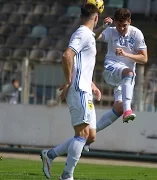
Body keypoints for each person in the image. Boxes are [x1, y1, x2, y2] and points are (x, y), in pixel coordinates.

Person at [40, 4, 102, 180]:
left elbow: (79, 64)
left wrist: (92, 83)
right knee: (82, 134)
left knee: (90, 136)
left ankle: (50, 155)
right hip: (79, 90)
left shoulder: (87, 35)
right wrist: (69, 81)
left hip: (85, 88)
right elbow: (67, 56)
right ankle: (67, 176)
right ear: (96, 17)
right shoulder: (82, 33)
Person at [83, 8, 148, 151]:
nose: (121, 28)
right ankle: (128, 111)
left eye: (124, 25)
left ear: (129, 22)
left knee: (118, 108)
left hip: (125, 79)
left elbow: (144, 58)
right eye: (119, 25)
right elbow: (93, 37)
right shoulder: (111, 31)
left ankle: (89, 137)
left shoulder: (136, 34)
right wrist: (104, 26)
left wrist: (126, 54)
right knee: (129, 73)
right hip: (111, 69)